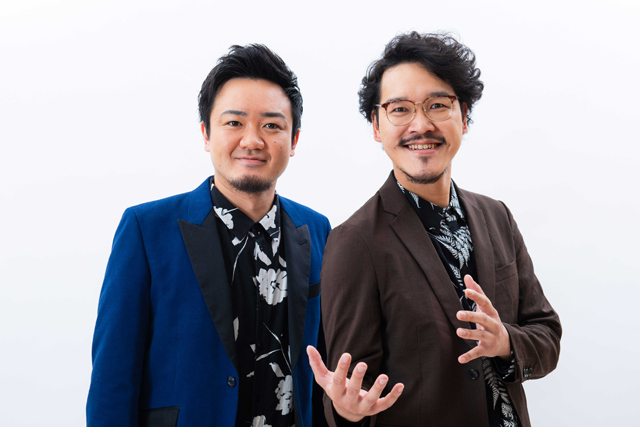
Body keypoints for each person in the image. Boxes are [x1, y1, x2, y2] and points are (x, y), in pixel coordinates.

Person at [307, 32, 562, 427]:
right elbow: (354, 386)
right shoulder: (354, 241)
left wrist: (504, 342)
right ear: (376, 125)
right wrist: (346, 409)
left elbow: (546, 334)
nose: (421, 125)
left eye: (438, 105)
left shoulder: (497, 216)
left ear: (464, 116)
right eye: (399, 109)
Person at [87, 44, 331, 427]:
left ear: (294, 139)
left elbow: (323, 369)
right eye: (234, 123)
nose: (252, 140)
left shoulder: (317, 230)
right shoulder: (145, 229)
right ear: (206, 133)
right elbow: (112, 379)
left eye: (272, 125)